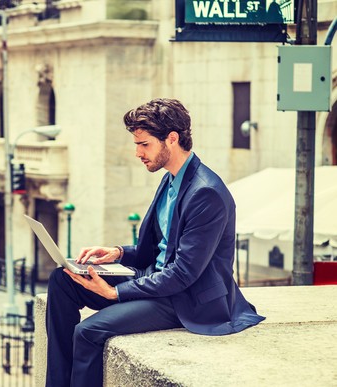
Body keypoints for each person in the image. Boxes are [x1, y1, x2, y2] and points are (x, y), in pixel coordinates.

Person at [46, 98, 266, 387]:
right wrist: (117, 252)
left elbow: (183, 273)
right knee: (62, 279)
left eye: (145, 144)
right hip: (154, 279)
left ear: (171, 139)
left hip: (184, 299)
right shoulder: (171, 179)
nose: (137, 153)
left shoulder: (206, 193)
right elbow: (158, 251)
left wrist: (115, 294)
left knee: (88, 331)